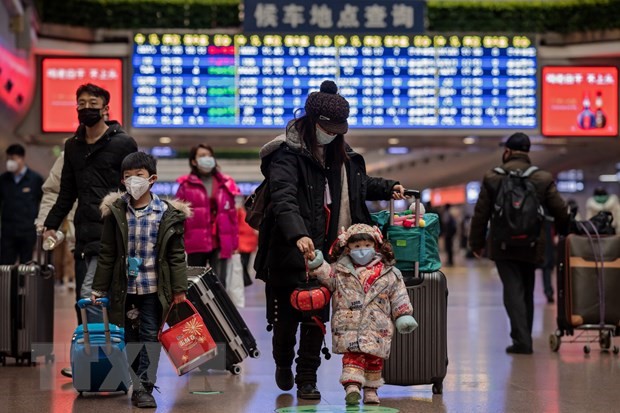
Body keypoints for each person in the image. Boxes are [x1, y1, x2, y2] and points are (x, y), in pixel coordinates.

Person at [254, 80, 405, 399]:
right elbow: (284, 198)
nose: (333, 134)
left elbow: (360, 185)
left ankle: (307, 377)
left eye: (338, 129)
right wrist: (298, 234)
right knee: (285, 320)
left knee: (316, 316)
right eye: (327, 127)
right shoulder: (287, 154)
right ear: (311, 122)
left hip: (328, 251)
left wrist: (388, 187)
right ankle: (283, 361)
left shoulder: (342, 156)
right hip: (287, 249)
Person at [42, 83, 137, 377]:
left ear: (106, 107)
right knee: (85, 300)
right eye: (81, 102)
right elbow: (67, 193)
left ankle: (114, 360)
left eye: (92, 102)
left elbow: (134, 188)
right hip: (85, 238)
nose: (86, 107)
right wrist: (50, 226)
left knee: (113, 300)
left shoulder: (123, 143)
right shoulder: (72, 146)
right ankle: (91, 360)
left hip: (117, 236)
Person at [90, 152, 189, 408]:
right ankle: (136, 383)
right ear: (122, 181)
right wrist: (99, 287)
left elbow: (176, 255)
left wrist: (179, 289)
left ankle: (145, 387)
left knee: (149, 336)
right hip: (125, 289)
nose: (133, 180)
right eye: (128, 176)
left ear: (152, 179)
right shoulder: (116, 212)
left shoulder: (167, 213)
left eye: (139, 176)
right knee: (130, 338)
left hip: (154, 289)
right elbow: (108, 253)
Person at [469, 132, 568, 355]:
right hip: (533, 243)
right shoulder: (541, 178)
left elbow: (481, 214)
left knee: (512, 289)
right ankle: (525, 337)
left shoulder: (493, 177)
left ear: (507, 152)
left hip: (502, 244)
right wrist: (565, 232)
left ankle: (522, 340)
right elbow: (559, 210)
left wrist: (476, 243)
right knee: (528, 288)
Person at [307, 223, 417, 405]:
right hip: (350, 325)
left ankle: (371, 390)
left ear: (376, 246)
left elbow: (398, 295)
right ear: (348, 248)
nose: (362, 250)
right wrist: (317, 263)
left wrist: (403, 314)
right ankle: (352, 387)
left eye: (367, 245)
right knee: (352, 357)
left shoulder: (389, 273)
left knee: (374, 359)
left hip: (377, 326)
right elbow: (327, 276)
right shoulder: (340, 271)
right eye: (357, 246)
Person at [176, 145, 239, 286]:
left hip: (220, 241)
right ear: (193, 161)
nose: (207, 158)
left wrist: (234, 244)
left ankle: (219, 308)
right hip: (195, 242)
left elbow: (232, 216)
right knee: (196, 284)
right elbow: (179, 216)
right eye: (202, 155)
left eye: (209, 155)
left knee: (219, 283)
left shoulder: (225, 184)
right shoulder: (186, 185)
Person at [35, 151, 78, 288]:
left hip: (97, 234)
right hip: (63, 227)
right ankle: (61, 278)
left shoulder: (117, 147)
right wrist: (43, 223)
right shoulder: (68, 155)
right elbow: (52, 192)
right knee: (60, 254)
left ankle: (70, 277)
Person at [0, 144, 43, 264]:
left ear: (22, 158)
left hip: (27, 231)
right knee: (6, 266)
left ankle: (23, 284)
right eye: (8, 159)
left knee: (26, 265)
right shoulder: (3, 180)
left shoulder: (35, 179)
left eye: (13, 159)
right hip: (8, 232)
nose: (10, 162)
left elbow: (43, 201)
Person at [237, 198, 258, 286]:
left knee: (244, 264)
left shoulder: (241, 211)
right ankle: (244, 280)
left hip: (247, 243)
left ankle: (243, 280)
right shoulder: (243, 212)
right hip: (244, 243)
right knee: (244, 264)